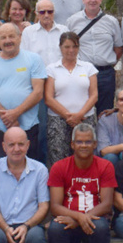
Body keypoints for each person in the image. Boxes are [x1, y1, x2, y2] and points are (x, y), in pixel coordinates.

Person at [47, 123, 116, 243]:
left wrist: (79, 220)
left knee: (100, 227)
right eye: (79, 141)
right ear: (72, 145)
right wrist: (78, 217)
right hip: (71, 220)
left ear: (95, 144)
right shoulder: (59, 167)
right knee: (54, 230)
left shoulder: (106, 166)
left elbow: (107, 204)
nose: (83, 145)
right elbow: (55, 206)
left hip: (95, 219)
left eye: (88, 142)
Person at [0, 23, 46, 165]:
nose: (7, 40)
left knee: (29, 168)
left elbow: (38, 92)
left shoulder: (34, 59)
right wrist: (8, 118)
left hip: (27, 125)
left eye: (11, 36)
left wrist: (15, 113)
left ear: (20, 37)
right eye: (3, 37)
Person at [21, 0, 70, 166]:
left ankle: (62, 168)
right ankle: (41, 169)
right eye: (42, 12)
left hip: (61, 85)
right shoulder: (28, 33)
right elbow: (24, 60)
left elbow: (71, 55)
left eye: (50, 11)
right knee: (41, 130)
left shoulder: (63, 30)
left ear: (54, 12)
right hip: (38, 86)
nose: (46, 15)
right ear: (36, 14)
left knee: (62, 129)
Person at [66, 0, 123, 113]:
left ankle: (103, 134)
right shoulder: (72, 21)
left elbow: (119, 47)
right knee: (82, 111)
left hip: (105, 74)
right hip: (81, 73)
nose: (93, 0)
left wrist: (109, 62)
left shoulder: (111, 21)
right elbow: (67, 47)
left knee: (105, 113)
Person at [45, 32, 98, 166]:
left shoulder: (88, 67)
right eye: (67, 47)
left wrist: (79, 115)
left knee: (85, 157)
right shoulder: (52, 69)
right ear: (60, 48)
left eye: (74, 46)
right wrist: (68, 116)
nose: (71, 50)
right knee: (59, 159)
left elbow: (94, 95)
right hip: (58, 121)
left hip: (85, 118)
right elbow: (48, 98)